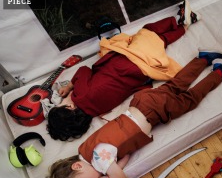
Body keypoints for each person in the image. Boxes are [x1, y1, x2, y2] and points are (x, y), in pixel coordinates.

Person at [47, 51, 222, 178]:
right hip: (141, 102)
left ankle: (220, 72)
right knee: (175, 86)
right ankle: (203, 59)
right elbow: (124, 153)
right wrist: (109, 176)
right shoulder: (88, 151)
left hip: (154, 112)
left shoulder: (100, 160)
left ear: (77, 166)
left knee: (190, 100)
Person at [47, 7, 201, 142]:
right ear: (70, 106)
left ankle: (182, 25)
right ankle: (181, 23)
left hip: (140, 76)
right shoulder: (80, 96)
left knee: (158, 42)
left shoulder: (99, 112)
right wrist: (69, 87)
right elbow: (84, 71)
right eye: (62, 102)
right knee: (148, 32)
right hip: (128, 63)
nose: (63, 98)